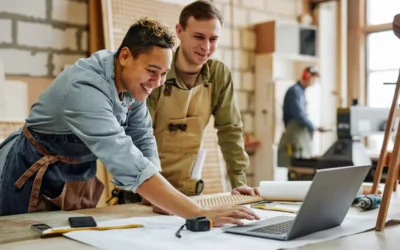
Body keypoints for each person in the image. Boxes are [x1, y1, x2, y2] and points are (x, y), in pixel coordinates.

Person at [0, 17, 260, 226]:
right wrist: (198, 213)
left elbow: (143, 136)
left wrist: (160, 198)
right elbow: (124, 156)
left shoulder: (129, 84)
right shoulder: (86, 88)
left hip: (75, 175)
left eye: (163, 74)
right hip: (33, 173)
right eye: (151, 71)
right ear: (125, 56)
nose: (157, 83)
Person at [141, 1, 259, 201]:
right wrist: (152, 190)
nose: (206, 47)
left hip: (187, 192)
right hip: (144, 191)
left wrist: (239, 184)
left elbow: (230, 130)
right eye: (199, 37)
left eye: (213, 39)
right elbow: (140, 135)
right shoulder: (157, 71)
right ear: (179, 31)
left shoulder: (218, 75)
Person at [277, 66, 326, 167]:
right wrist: (313, 126)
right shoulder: (295, 91)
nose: (314, 81)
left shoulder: (300, 92)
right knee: (296, 163)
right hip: (294, 134)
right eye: (313, 78)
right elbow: (299, 115)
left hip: (298, 133)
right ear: (306, 76)